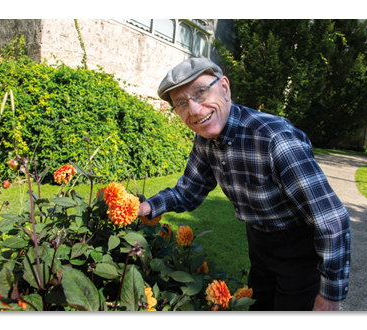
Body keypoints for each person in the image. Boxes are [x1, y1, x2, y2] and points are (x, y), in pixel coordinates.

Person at [139, 58, 351, 311]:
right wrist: (148, 207)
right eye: (182, 103)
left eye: (200, 92)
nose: (194, 110)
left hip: (299, 249)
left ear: (225, 88)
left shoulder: (274, 138)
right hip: (259, 242)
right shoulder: (205, 140)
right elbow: (188, 191)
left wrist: (330, 296)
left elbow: (332, 219)